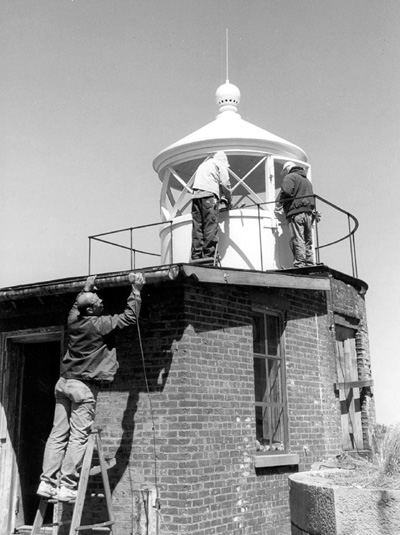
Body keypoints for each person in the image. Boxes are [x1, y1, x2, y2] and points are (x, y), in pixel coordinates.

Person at [36, 272, 145, 502]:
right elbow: (129, 318)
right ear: (92, 310)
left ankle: (47, 483)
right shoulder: (99, 324)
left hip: (63, 383)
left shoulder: (73, 320)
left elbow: (77, 305)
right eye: (97, 300)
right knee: (78, 437)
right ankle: (67, 485)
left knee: (57, 434)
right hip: (82, 387)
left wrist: (86, 289)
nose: (101, 300)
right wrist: (136, 291)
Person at [190, 151, 232, 262]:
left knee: (197, 227)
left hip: (196, 197)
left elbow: (208, 181)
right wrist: (229, 198)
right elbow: (225, 183)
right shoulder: (220, 164)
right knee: (210, 226)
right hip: (209, 198)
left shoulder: (203, 165)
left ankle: (196, 256)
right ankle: (208, 257)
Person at [276, 161, 315, 268]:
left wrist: (279, 203)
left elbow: (287, 192)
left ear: (287, 169)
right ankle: (309, 263)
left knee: (298, 238)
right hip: (308, 213)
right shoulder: (306, 180)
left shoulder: (290, 177)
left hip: (296, 212)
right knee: (307, 240)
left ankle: (300, 263)